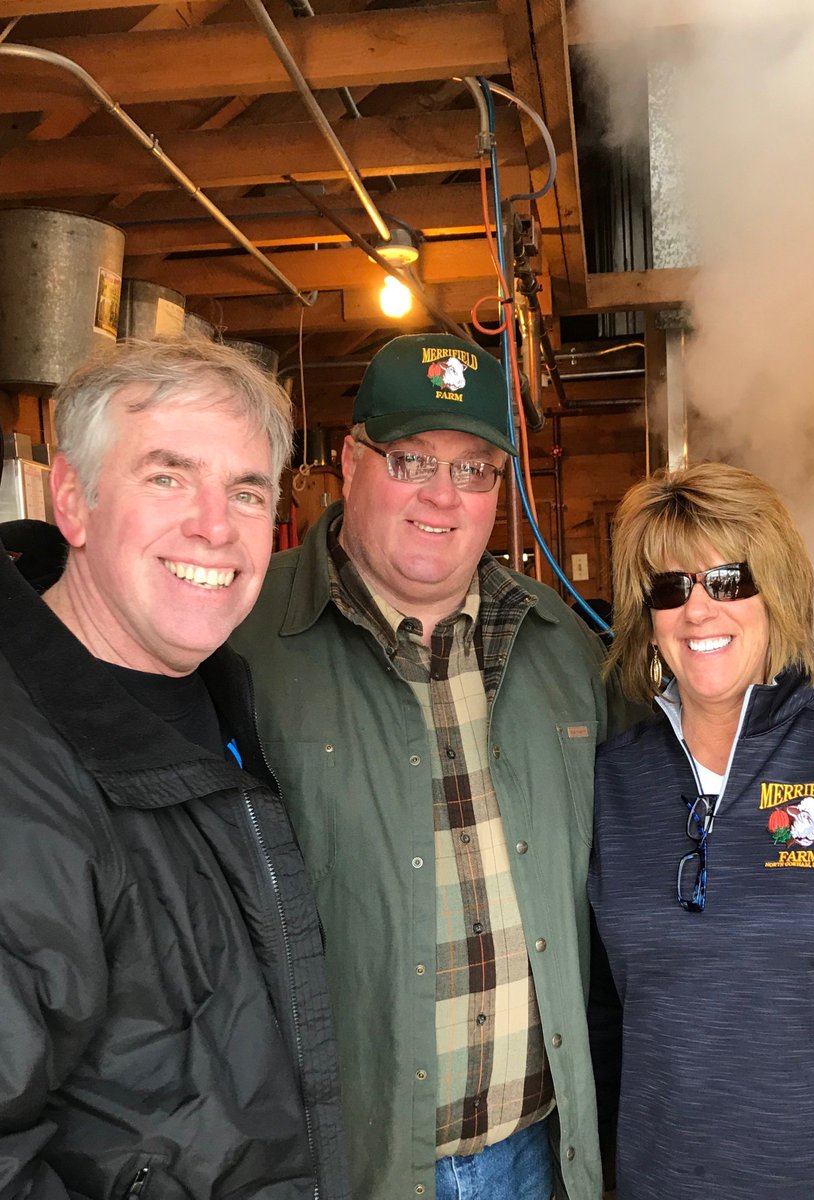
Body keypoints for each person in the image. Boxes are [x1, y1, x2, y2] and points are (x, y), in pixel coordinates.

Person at [232, 332, 634, 1200]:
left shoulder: (565, 648)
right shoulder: (242, 638)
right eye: (411, 459)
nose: (442, 496)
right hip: (344, 1165)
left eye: (474, 469)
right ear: (351, 462)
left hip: (537, 1153)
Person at [0, 339, 350, 1198]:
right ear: (72, 501)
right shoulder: (20, 772)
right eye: (167, 477)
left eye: (246, 492)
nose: (215, 526)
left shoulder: (217, 697)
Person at [588, 461, 814, 1200]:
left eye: (727, 581)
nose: (697, 610)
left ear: (777, 590)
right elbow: (603, 1018)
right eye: (670, 587)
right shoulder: (611, 781)